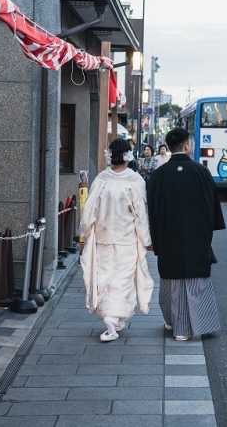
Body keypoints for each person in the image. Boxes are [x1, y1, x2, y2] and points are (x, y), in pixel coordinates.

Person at [146, 128, 225, 341]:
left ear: (169, 148)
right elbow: (212, 207)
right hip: (196, 236)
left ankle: (174, 322)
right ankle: (188, 328)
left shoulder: (158, 175)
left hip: (167, 236)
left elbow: (151, 210)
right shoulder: (201, 171)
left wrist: (152, 237)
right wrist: (206, 231)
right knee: (195, 281)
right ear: (187, 146)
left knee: (171, 282)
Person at [79, 138, 154, 342]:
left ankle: (114, 318)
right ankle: (112, 320)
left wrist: (83, 234)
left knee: (104, 277)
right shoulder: (135, 181)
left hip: (103, 238)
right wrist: (147, 240)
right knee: (122, 281)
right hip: (126, 239)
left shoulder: (101, 179)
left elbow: (89, 212)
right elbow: (141, 215)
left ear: (110, 156)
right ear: (128, 157)